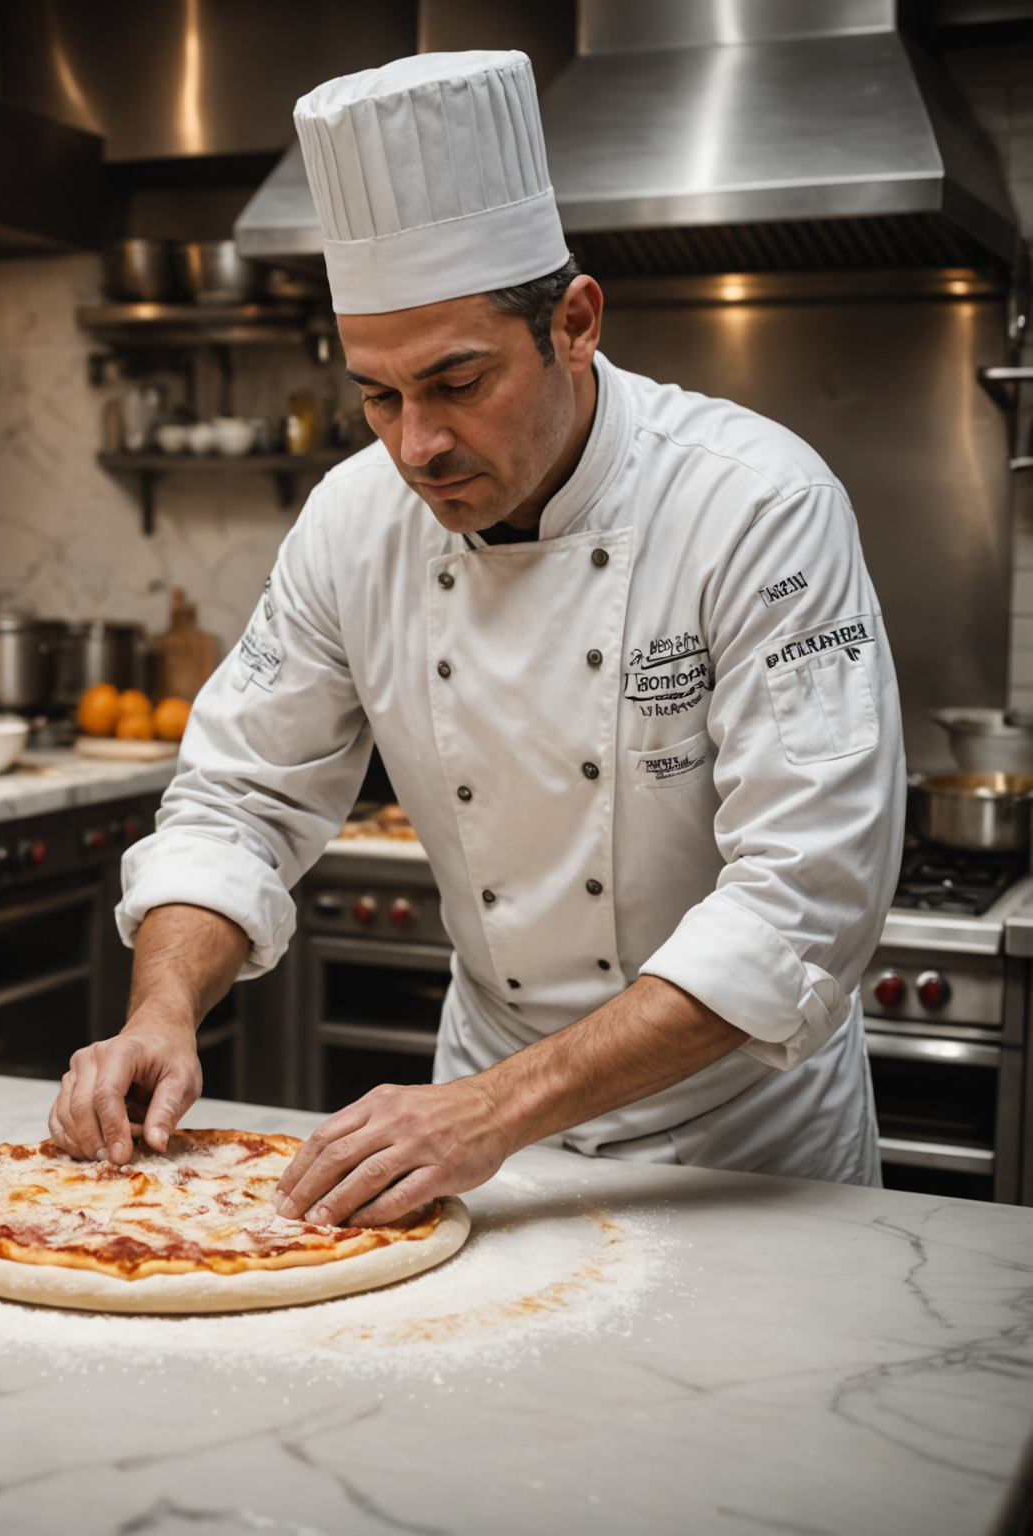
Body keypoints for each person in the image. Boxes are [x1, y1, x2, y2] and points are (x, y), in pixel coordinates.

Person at [50, 50, 905, 1226]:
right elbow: (236, 801)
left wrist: (499, 1109)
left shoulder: (755, 505)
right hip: (475, 1146)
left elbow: (803, 905)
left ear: (575, 323)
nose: (416, 446)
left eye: (458, 381)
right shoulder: (354, 522)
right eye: (379, 395)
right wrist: (162, 1011)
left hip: (744, 1155)